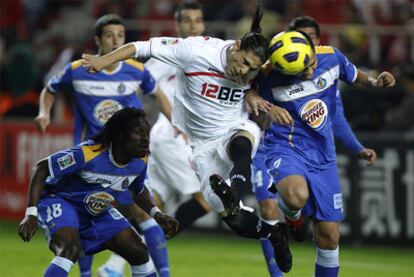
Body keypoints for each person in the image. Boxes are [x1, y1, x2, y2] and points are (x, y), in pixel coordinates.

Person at [81, 5, 293, 273]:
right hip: (201, 145)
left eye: (252, 69)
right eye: (244, 63)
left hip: (235, 127)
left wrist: (256, 96)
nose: (244, 72)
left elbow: (264, 85)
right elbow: (140, 47)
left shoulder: (252, 71)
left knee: (241, 143)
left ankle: (234, 192)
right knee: (237, 222)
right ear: (236, 46)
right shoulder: (195, 50)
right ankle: (274, 234)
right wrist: (104, 61)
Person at [33, 14, 174, 277]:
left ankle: (162, 274)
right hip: (91, 160)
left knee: (142, 215)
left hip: (126, 159)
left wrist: (175, 123)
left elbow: (158, 94)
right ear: (97, 40)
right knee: (86, 216)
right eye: (109, 35)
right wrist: (44, 112)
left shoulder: (137, 70)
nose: (115, 41)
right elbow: (50, 89)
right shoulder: (78, 70)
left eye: (120, 36)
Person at [248, 30, 395, 277]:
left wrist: (374, 82)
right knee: (296, 195)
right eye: (299, 71)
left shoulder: (331, 56)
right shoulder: (267, 74)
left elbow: (355, 75)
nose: (307, 72)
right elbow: (246, 92)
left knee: (329, 235)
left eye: (309, 64)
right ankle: (293, 217)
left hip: (323, 155)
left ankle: (296, 219)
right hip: (285, 146)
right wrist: (266, 106)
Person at [18, 108, 178, 277]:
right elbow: (41, 168)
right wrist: (31, 213)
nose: (146, 138)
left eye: (147, 132)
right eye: (139, 132)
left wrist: (157, 214)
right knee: (70, 248)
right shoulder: (88, 154)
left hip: (96, 209)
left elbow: (138, 191)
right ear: (121, 135)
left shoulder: (140, 160)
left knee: (138, 250)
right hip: (61, 201)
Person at [143, 0, 211, 235]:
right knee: (208, 199)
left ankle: (114, 266)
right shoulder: (170, 51)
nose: (193, 26)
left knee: (154, 204)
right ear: (177, 24)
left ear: (203, 25)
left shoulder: (210, 53)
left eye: (197, 20)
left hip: (180, 138)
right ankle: (160, 245)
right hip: (172, 136)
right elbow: (146, 82)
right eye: (187, 20)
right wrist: (175, 119)